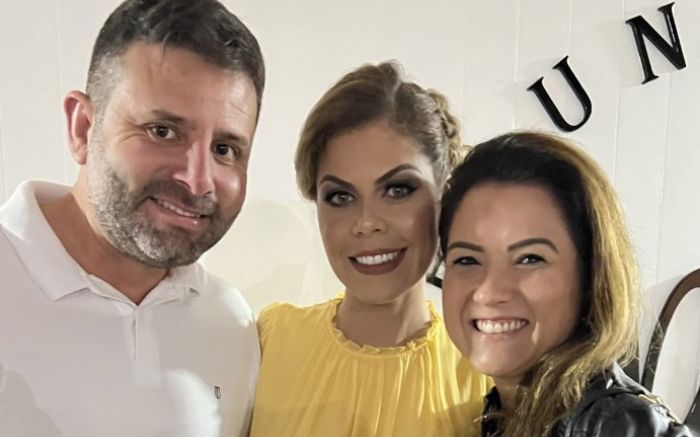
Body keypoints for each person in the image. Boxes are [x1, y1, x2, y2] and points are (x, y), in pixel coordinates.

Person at [0, 1, 264, 436]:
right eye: (162, 131)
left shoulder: (229, 322)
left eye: (225, 149)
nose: (198, 181)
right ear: (82, 128)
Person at [249, 62, 490, 437]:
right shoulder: (269, 341)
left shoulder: (485, 378)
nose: (366, 222)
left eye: (397, 190)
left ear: (444, 197)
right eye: (340, 196)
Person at [438, 131, 693, 436]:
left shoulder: (617, 426)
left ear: (591, 275)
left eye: (530, 258)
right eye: (467, 260)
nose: (487, 291)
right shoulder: (497, 415)